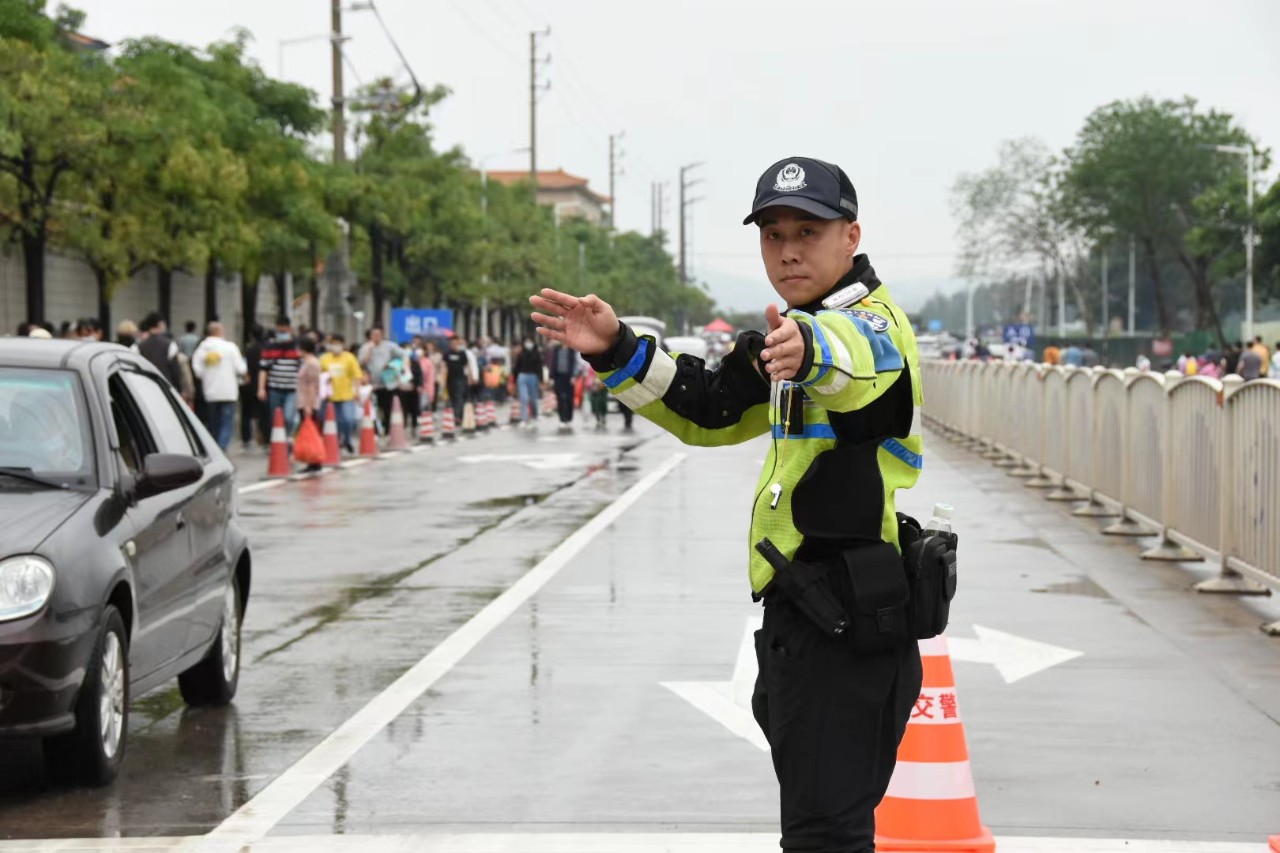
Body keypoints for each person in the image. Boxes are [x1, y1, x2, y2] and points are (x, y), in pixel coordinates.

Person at [530, 156, 923, 852]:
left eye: (808, 229)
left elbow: (856, 364)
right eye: (773, 234)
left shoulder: (870, 326)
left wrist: (810, 352)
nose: (789, 248)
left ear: (851, 235)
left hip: (848, 618)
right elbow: (708, 408)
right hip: (805, 615)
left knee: (825, 836)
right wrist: (616, 347)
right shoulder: (789, 332)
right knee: (819, 825)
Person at [191, 322, 247, 451]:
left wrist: (206, 376)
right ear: (220, 332)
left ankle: (214, 445)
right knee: (226, 421)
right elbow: (240, 367)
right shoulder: (230, 347)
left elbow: (197, 369)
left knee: (213, 421)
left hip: (210, 391)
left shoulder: (202, 349)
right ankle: (222, 446)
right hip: (228, 391)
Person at [358, 325, 405, 435]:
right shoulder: (365, 347)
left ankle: (388, 429)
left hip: (388, 382)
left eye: (378, 335)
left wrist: (392, 365)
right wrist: (368, 354)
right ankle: (374, 430)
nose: (376, 337)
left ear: (383, 335)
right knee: (373, 408)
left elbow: (404, 356)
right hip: (372, 383)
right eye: (373, 335)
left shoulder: (390, 346)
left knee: (387, 406)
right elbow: (360, 363)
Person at [258, 317, 301, 435]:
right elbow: (263, 369)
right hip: (275, 388)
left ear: (289, 329)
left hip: (292, 388)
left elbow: (302, 368)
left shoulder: (297, 346)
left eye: (284, 331)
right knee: (275, 418)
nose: (282, 333)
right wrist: (261, 388)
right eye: (280, 330)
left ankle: (287, 437)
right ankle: (278, 440)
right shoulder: (270, 346)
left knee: (288, 417)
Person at [321, 333, 363, 452]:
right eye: (333, 344)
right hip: (330, 396)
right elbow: (319, 374)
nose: (336, 346)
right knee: (335, 421)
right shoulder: (325, 358)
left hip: (346, 395)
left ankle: (348, 439)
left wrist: (357, 391)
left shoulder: (350, 358)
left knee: (348, 419)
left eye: (338, 344)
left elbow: (357, 376)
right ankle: (338, 441)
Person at [137, 313, 185, 391]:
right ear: (160, 324)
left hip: (145, 388)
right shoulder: (170, 345)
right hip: (166, 387)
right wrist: (179, 388)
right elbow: (175, 370)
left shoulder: (139, 346)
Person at [443, 336, 473, 431]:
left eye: (456, 343)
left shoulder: (462, 353)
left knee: (458, 397)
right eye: (452, 344)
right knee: (452, 397)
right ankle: (454, 415)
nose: (454, 345)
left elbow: (468, 365)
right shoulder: (447, 354)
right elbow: (444, 366)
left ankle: (457, 416)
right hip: (450, 379)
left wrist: (470, 377)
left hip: (460, 378)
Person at [548, 341, 579, 432]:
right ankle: (562, 419)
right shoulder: (557, 349)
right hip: (558, 377)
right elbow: (553, 363)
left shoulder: (572, 350)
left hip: (569, 378)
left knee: (569, 399)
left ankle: (569, 419)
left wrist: (574, 375)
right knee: (560, 399)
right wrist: (551, 377)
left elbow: (575, 363)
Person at [513, 337, 544, 428]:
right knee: (524, 398)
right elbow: (516, 367)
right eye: (527, 342)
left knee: (533, 399)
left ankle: (535, 415)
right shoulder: (521, 354)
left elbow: (540, 367)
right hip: (522, 377)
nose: (528, 343)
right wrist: (515, 379)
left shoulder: (537, 354)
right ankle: (524, 418)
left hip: (533, 377)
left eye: (530, 342)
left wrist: (541, 380)